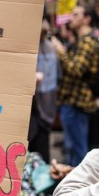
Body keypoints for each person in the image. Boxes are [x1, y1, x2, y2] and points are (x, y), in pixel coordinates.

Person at [51, 5, 99, 166]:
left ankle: (78, 187)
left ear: (87, 19)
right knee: (72, 148)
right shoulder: (82, 41)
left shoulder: (87, 42)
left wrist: (60, 51)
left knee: (77, 150)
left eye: (76, 14)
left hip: (77, 103)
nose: (70, 18)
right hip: (72, 101)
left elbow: (76, 69)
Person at [28, 18, 59, 161]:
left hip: (41, 105)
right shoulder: (48, 47)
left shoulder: (48, 48)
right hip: (37, 106)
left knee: (39, 151)